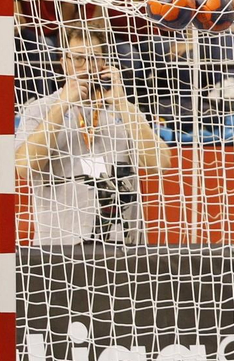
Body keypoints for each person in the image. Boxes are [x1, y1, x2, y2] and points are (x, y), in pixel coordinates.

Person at [13, 26, 170, 245]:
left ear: (105, 62)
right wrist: (63, 105)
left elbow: (159, 163)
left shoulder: (124, 109)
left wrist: (122, 104)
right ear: (64, 63)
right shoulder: (41, 109)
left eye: (94, 59)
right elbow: (24, 168)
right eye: (78, 59)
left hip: (120, 245)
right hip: (60, 245)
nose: (87, 67)